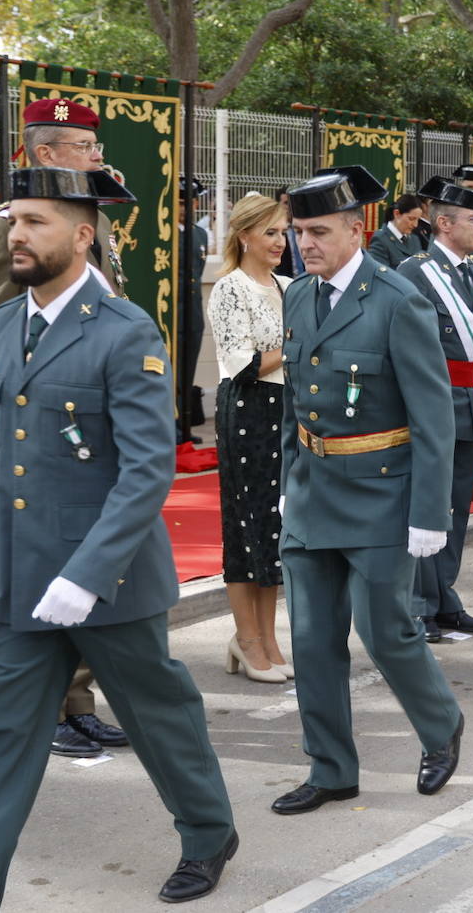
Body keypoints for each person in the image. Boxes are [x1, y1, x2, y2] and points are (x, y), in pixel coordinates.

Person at [0, 167, 237, 911]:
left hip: (110, 582)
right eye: (13, 221)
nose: (17, 236)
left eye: (34, 221)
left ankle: (207, 831)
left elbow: (145, 471)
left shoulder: (125, 331)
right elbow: (0, 469)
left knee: (158, 718)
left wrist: (87, 574)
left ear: (82, 235)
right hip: (20, 584)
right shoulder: (3, 323)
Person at [272, 165, 463, 815]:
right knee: (311, 636)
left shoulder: (395, 299)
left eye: (319, 231)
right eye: (299, 232)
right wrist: (285, 483)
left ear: (358, 229)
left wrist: (428, 511)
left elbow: (433, 410)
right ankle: (331, 768)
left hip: (382, 492)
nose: (306, 244)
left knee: (384, 630)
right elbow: (295, 403)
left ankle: (441, 727)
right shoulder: (298, 296)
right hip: (312, 490)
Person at [0, 96, 127, 759]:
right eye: (84, 148)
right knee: (30, 566)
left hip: (82, 426)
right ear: (46, 153)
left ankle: (75, 701)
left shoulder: (87, 219)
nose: (96, 157)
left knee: (78, 561)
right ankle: (35, 705)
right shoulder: (10, 230)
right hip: (28, 425)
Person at [397, 175, 473, 643]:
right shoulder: (415, 272)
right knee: (428, 506)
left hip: (468, 401)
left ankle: (444, 596)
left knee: (457, 509)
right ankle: (418, 604)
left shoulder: (472, 271)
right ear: (444, 223)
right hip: (433, 404)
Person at [208, 192, 292, 683]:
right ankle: (247, 639)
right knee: (245, 529)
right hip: (246, 410)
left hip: (283, 410)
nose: (281, 242)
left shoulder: (285, 285)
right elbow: (243, 365)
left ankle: (269, 638)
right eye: (271, 232)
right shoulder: (230, 289)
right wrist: (294, 342)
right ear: (245, 236)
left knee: (273, 530)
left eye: (283, 232)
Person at [177, 177, 209, 445]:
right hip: (173, 311)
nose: (185, 208)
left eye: (189, 202)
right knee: (172, 372)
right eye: (179, 203)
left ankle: (185, 424)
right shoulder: (164, 233)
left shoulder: (200, 234)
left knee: (189, 371)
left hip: (194, 313)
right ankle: (172, 425)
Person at [366, 193, 426, 268]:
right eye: (411, 219)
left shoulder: (414, 239)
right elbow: (381, 274)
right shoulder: (380, 239)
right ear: (397, 214)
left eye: (418, 220)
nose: (415, 225)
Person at [275, 187, 305, 278]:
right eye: (286, 203)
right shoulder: (275, 231)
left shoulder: (304, 229)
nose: (290, 207)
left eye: (293, 202)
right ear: (277, 205)